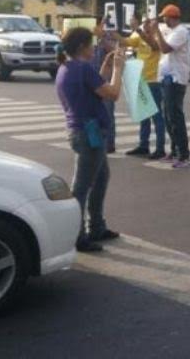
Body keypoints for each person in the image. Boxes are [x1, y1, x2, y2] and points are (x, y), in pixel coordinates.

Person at [55, 27, 125, 252]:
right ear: (81, 47)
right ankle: (78, 235)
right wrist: (118, 69)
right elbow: (112, 93)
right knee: (82, 186)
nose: (94, 47)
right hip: (89, 132)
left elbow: (96, 87)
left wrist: (105, 68)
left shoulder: (67, 67)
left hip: (81, 130)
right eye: (91, 43)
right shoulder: (82, 69)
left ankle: (96, 225)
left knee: (101, 177)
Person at [151, 4, 190, 169]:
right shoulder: (170, 31)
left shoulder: (181, 31)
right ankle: (174, 150)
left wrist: (158, 32)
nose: (163, 20)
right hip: (166, 77)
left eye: (165, 17)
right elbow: (156, 45)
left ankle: (184, 155)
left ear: (172, 17)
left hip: (176, 78)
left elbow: (165, 49)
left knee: (175, 116)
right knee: (167, 115)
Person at [121, 15, 167, 160]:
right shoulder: (139, 37)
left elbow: (154, 46)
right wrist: (110, 31)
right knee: (143, 114)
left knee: (156, 115)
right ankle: (143, 145)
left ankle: (160, 148)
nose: (145, 25)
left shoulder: (157, 37)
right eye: (144, 23)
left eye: (148, 22)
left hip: (154, 80)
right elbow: (124, 41)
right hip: (141, 79)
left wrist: (139, 31)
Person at [91, 26, 120, 154]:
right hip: (92, 78)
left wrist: (102, 37)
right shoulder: (89, 37)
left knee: (107, 111)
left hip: (106, 79)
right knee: (92, 114)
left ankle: (109, 143)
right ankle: (95, 143)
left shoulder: (109, 35)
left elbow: (115, 51)